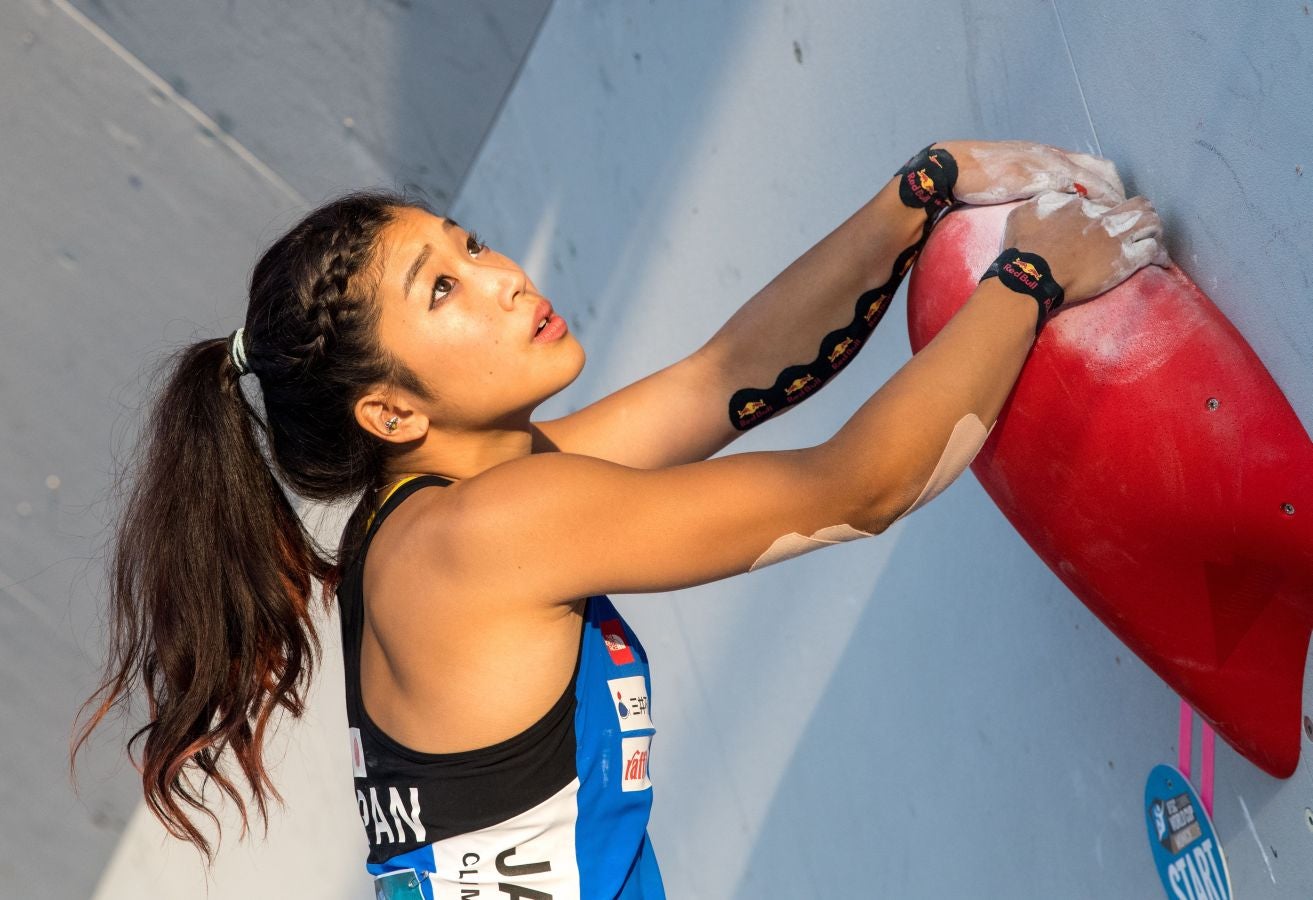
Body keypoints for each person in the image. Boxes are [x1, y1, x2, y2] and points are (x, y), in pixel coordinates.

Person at [74, 140, 1167, 898]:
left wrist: (923, 190)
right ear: (391, 411)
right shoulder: (486, 532)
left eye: (467, 245)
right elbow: (855, 489)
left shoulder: (446, 514)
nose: (501, 278)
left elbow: (724, 378)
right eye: (441, 291)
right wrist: (1031, 277)